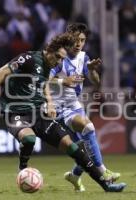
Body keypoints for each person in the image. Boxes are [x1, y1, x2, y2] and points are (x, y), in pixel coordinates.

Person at [0, 33, 126, 192]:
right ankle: (23, 168)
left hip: (39, 114)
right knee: (28, 139)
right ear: (48, 50)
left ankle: (106, 186)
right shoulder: (29, 58)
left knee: (73, 147)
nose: (59, 61)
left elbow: (44, 84)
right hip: (16, 113)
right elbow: (1, 72)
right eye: (58, 57)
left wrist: (50, 103)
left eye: (62, 59)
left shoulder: (49, 67)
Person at [48, 23, 121, 192]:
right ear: (68, 38)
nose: (79, 43)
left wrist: (92, 71)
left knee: (86, 138)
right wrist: (62, 81)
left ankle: (76, 175)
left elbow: (96, 82)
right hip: (58, 109)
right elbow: (44, 79)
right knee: (86, 135)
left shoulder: (84, 57)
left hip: (74, 106)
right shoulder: (59, 57)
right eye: (75, 39)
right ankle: (102, 172)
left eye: (82, 40)